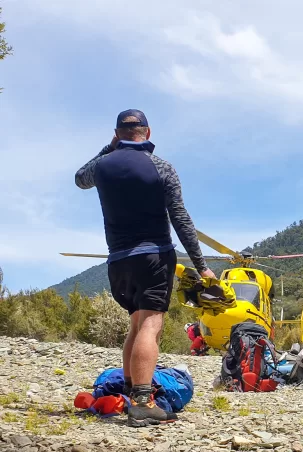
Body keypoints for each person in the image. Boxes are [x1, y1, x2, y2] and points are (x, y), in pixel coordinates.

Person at [75, 109, 215, 427]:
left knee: (136, 325)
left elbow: (79, 179)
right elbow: (180, 219)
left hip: (117, 261)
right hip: (153, 257)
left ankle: (128, 389)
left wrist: (108, 148)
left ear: (117, 134)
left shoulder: (102, 166)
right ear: (147, 133)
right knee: (151, 326)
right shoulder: (161, 167)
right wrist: (201, 266)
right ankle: (141, 401)